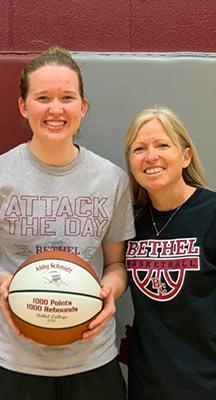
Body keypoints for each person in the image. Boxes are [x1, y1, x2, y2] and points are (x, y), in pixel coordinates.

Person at [0, 46, 135, 400]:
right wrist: (3, 281)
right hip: (15, 362)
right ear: (24, 106)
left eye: (67, 97)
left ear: (83, 107)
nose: (56, 109)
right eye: (43, 97)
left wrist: (109, 293)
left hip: (93, 359)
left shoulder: (112, 180)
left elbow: (117, 265)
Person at [124, 106, 215, 400]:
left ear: (185, 156)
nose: (150, 156)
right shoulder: (130, 223)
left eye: (162, 145)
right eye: (139, 148)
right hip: (147, 387)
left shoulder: (211, 213)